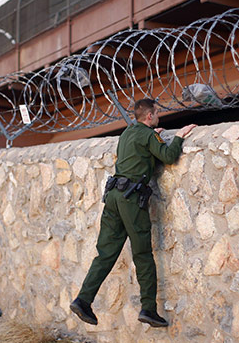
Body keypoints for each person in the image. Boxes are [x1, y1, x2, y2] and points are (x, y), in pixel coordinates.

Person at [70, 98, 196, 328]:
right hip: (131, 200)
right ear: (149, 116)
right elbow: (168, 157)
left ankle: (83, 300)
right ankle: (148, 308)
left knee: (105, 253)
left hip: (113, 196)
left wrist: (154, 136)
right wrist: (178, 137)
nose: (158, 115)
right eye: (156, 113)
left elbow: (138, 150)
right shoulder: (148, 135)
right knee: (143, 254)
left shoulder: (128, 133)